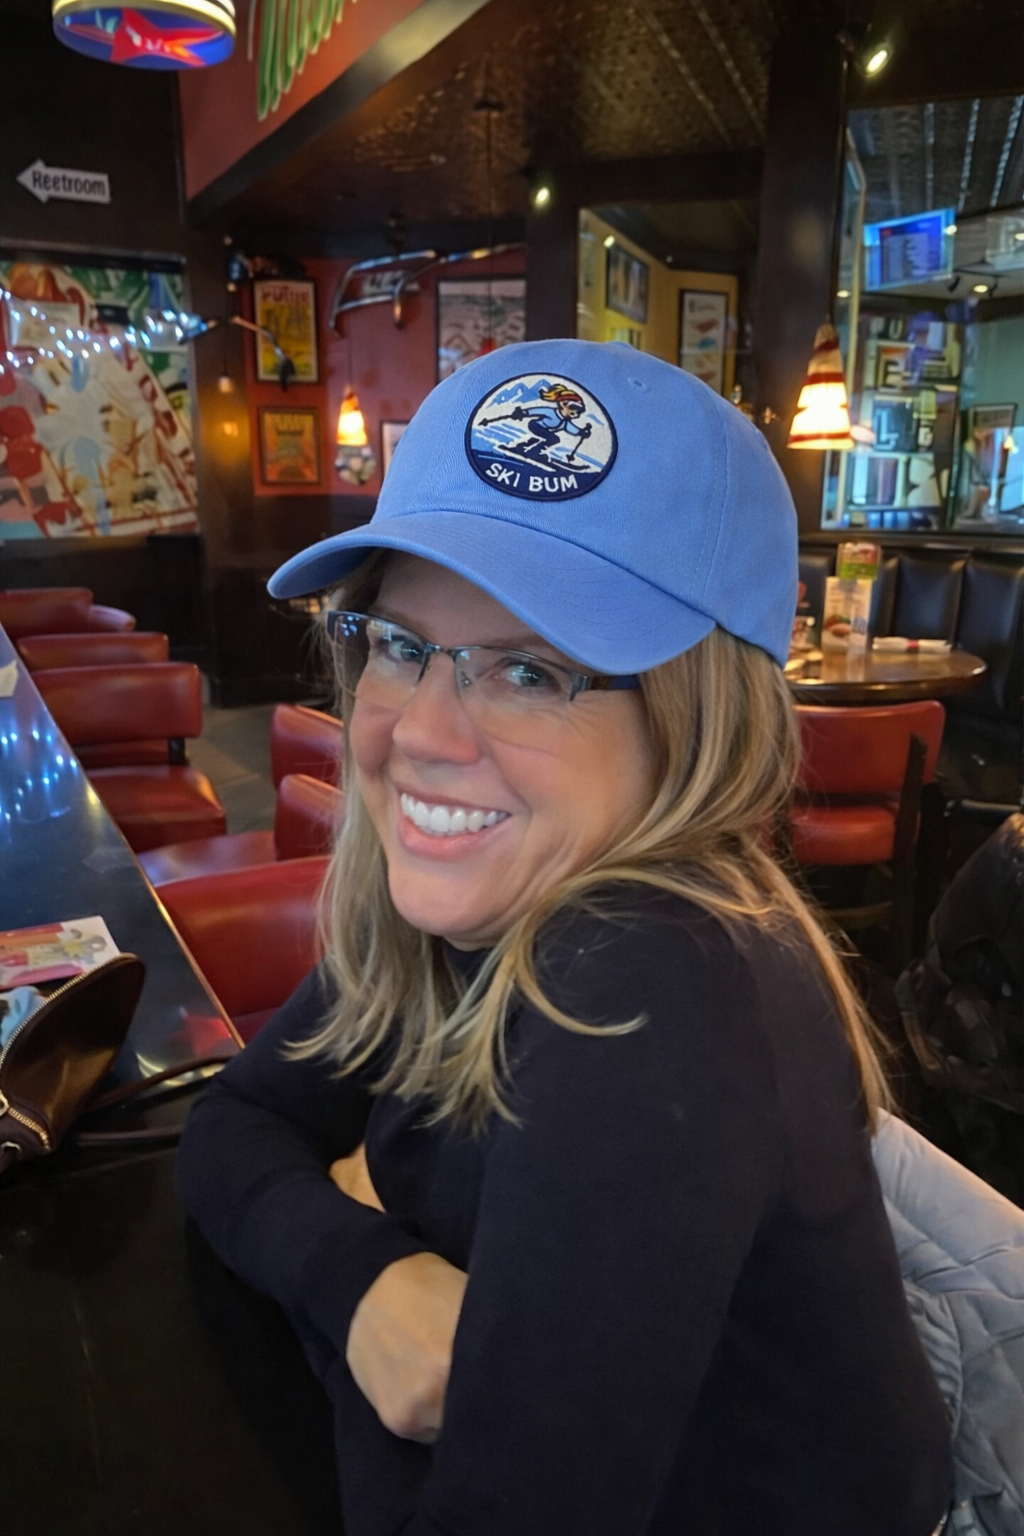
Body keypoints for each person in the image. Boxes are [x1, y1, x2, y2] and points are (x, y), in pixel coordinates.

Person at [177, 340, 952, 1535]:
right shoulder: (476, 892)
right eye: (397, 643)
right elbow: (236, 1125)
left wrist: (369, 1306)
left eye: (529, 671)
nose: (419, 733)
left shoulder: (650, 980)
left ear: (694, 725)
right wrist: (368, 1277)